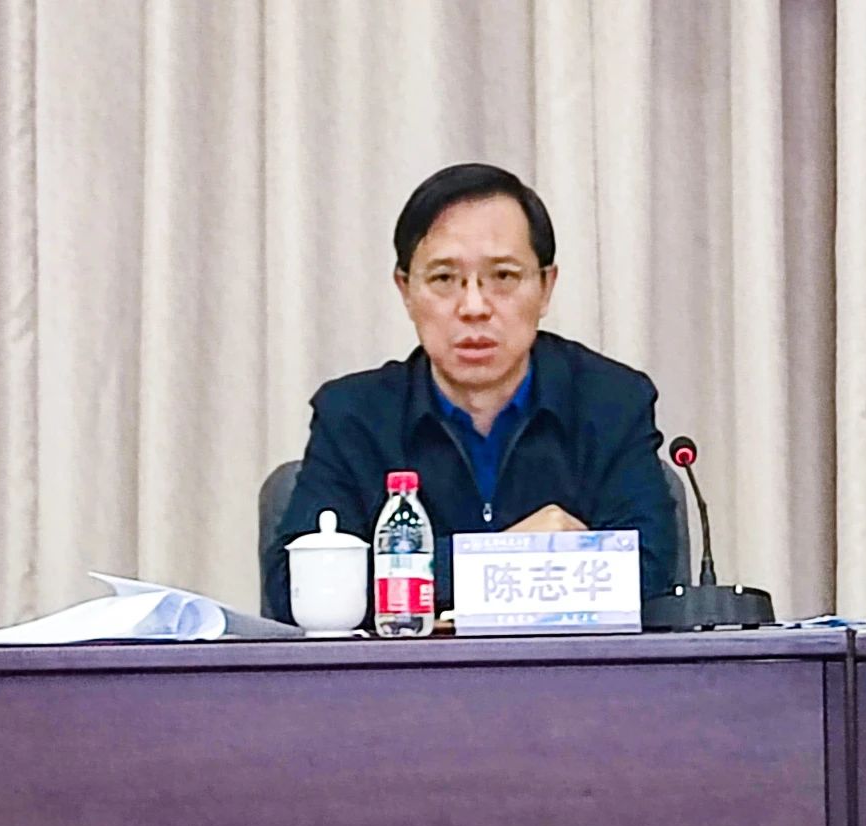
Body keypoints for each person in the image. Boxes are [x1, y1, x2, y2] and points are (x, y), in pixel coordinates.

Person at [261, 163, 678, 624]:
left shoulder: (612, 401)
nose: (474, 307)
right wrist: (509, 555)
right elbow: (299, 585)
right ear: (406, 290)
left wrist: (426, 571)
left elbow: (649, 571)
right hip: (407, 673)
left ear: (545, 287)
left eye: (503, 277)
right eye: (444, 279)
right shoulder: (353, 415)